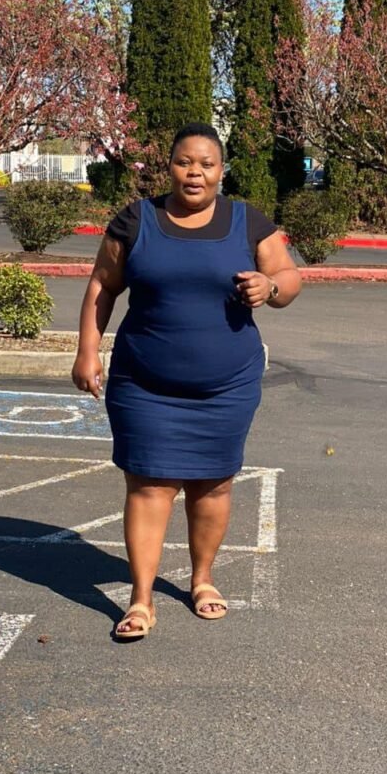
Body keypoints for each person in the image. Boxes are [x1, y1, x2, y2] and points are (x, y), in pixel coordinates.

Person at [72, 122, 301, 639]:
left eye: (206, 164)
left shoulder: (247, 221)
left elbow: (290, 279)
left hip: (226, 386)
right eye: (184, 162)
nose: (194, 172)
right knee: (148, 486)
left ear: (221, 171)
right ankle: (140, 599)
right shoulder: (137, 220)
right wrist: (87, 351)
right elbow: (102, 286)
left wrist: (270, 286)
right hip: (144, 384)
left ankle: (202, 580)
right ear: (169, 166)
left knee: (212, 483)